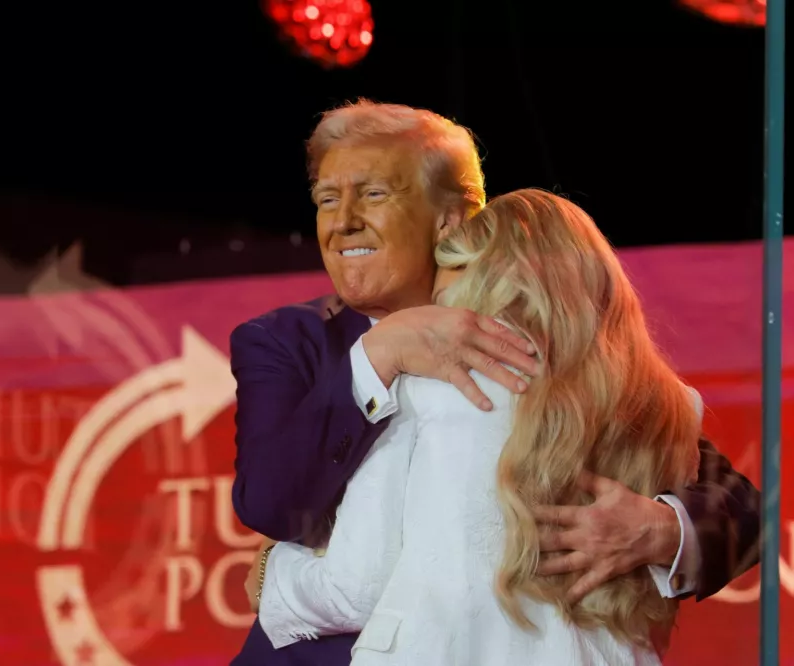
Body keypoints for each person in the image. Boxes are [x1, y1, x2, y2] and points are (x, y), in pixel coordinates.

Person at [229, 101, 760, 666]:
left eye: (375, 194)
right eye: (327, 200)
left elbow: (739, 507)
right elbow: (271, 503)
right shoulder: (285, 342)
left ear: (454, 220)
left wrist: (661, 529)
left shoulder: (564, 357)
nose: (343, 222)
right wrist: (378, 355)